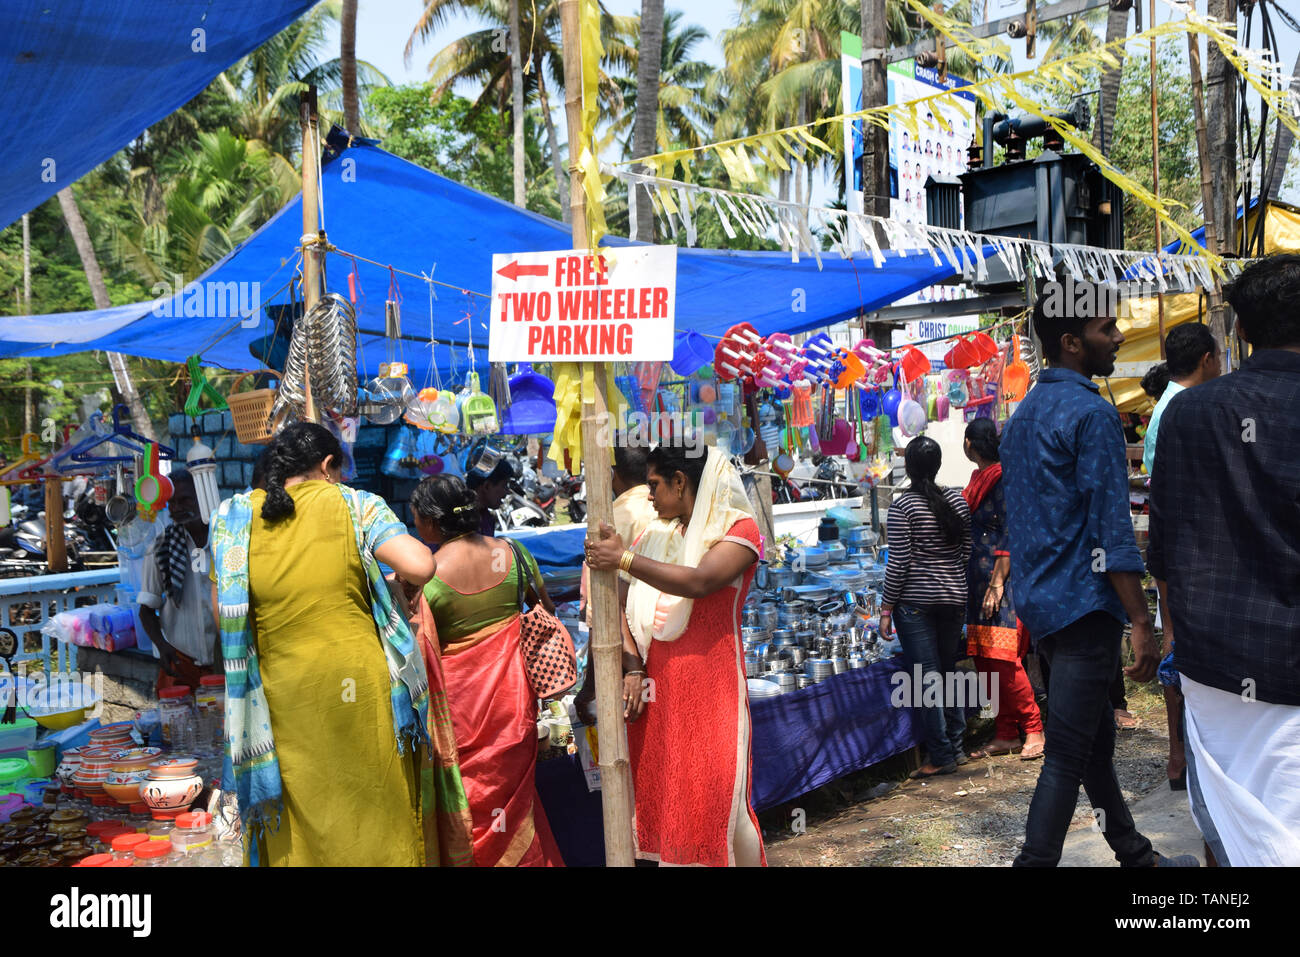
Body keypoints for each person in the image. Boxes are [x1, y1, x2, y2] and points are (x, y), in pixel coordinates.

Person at [1001, 279, 1196, 867]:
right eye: (1105, 330)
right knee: (1067, 752)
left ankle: (1136, 856)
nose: (1116, 339)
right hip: (1083, 607)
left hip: (1042, 605)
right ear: (1071, 343)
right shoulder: (1091, 412)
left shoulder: (1024, 414)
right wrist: (1141, 619)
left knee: (1091, 747)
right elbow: (1112, 529)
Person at [209, 423, 438, 866]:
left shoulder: (231, 519)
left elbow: (225, 618)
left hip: (282, 698)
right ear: (329, 466)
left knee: (300, 827)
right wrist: (387, 582)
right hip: (360, 693)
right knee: (374, 812)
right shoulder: (356, 504)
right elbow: (421, 564)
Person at [1148, 254, 1300, 866]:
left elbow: (1166, 548)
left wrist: (1164, 634)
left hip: (1218, 667)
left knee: (1236, 836)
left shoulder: (1189, 413)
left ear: (1239, 330)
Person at [586, 444, 764, 866]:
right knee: (674, 802)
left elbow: (701, 581)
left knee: (715, 801)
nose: (648, 497)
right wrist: (632, 667)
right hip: (659, 690)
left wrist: (623, 557)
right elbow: (620, 601)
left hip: (711, 689)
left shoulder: (738, 531)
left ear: (680, 482)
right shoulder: (660, 534)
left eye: (654, 486)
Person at [410, 474, 564, 867]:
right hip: (513, 711)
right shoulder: (514, 555)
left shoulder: (425, 576)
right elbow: (543, 608)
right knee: (515, 808)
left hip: (458, 718)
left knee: (469, 808)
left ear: (430, 522)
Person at [1139, 323, 1222, 790]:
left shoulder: (1170, 406)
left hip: (1180, 555)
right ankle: (1181, 754)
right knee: (1179, 653)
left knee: (1179, 654)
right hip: (1190, 558)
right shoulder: (1184, 408)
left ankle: (1182, 754)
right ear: (1208, 358)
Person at [880, 436, 972, 778]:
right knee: (946, 673)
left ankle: (941, 756)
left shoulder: (903, 507)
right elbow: (966, 552)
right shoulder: (957, 501)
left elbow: (898, 563)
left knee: (927, 679)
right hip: (954, 599)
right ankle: (957, 749)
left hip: (916, 605)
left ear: (909, 467)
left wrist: (886, 608)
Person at [961, 419, 1045, 762]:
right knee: (984, 659)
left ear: (970, 444)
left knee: (1005, 659)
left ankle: (1034, 728)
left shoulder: (1002, 478)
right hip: (977, 578)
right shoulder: (977, 480)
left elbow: (1010, 534)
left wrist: (997, 583)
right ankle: (1006, 731)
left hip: (1001, 580)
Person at [137, 471, 220, 692]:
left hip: (227, 663)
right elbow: (146, 610)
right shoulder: (160, 547)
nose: (176, 508)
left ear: (203, 497)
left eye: (184, 500)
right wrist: (162, 646)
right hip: (181, 664)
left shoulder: (226, 539)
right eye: (171, 503)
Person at [465, 458, 513, 536]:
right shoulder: (459, 521)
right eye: (504, 486)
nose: (507, 492)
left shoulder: (487, 519)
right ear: (486, 486)